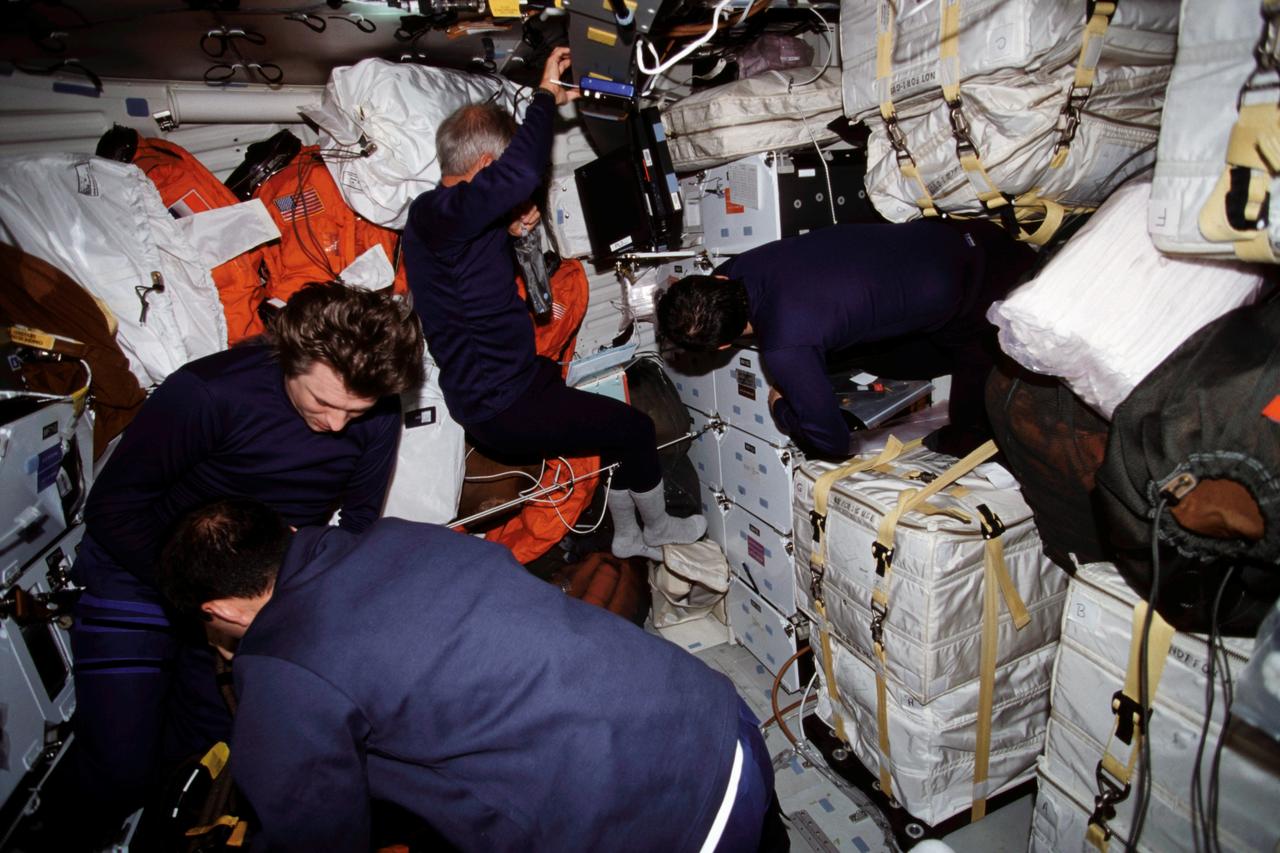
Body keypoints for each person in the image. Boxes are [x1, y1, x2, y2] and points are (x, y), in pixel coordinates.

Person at [157, 497, 785, 852]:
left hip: (668, 820)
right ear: (288, 532)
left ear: (217, 612)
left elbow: (317, 840)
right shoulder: (400, 536)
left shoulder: (279, 669)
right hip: (716, 721)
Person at [68, 281, 424, 825]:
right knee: (119, 770)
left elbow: (355, 525)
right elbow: (112, 509)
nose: (335, 426)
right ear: (290, 355)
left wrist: (281, 607)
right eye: (325, 402)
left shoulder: (374, 413)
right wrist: (203, 600)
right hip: (141, 573)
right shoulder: (208, 392)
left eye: (354, 412)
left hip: (252, 599)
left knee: (212, 763)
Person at [403, 47, 704, 561]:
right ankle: (656, 531)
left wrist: (509, 231)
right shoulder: (443, 217)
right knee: (634, 429)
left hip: (506, 387)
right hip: (504, 406)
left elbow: (470, 282)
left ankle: (629, 537)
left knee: (608, 431)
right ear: (483, 167)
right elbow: (518, 177)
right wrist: (543, 97)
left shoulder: (434, 221)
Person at [656, 219, 1038, 458]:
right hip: (967, 232)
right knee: (865, 352)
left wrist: (781, 409)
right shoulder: (745, 264)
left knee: (963, 431)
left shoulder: (786, 349)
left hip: (987, 301)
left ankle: (973, 436)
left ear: (724, 345)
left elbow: (833, 445)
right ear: (717, 279)